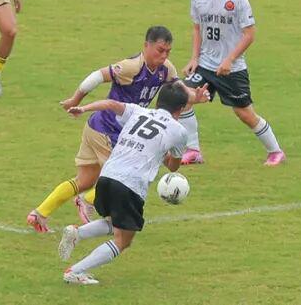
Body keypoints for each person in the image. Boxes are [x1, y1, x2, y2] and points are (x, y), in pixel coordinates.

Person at [25, 26, 185, 233]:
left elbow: (180, 92)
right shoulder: (131, 67)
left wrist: (196, 96)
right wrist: (76, 99)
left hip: (98, 126)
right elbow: (97, 76)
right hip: (108, 130)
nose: (164, 56)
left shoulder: (166, 68)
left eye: (168, 52)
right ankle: (87, 201)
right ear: (146, 45)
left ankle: (39, 213)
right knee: (120, 177)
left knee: (85, 180)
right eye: (160, 50)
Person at [57, 80, 206, 285]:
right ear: (180, 109)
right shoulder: (179, 131)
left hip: (107, 176)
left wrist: (83, 108)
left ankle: (77, 233)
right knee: (123, 240)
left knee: (115, 222)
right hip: (130, 185)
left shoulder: (138, 111)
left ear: (158, 101)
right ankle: (74, 271)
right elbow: (173, 166)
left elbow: (110, 104)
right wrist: (162, 153)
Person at [179, 0, 285, 166]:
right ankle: (193, 150)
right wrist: (194, 58)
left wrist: (229, 59)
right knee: (183, 97)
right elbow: (197, 29)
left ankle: (275, 151)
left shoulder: (238, 1)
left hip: (232, 69)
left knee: (244, 113)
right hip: (205, 65)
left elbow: (249, 35)